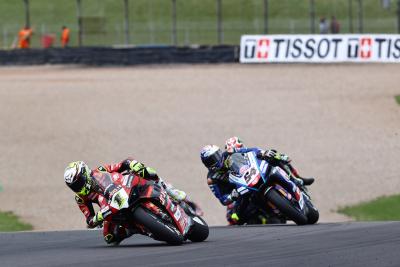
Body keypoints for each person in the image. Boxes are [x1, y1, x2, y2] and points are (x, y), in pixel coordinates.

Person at [64, 158, 186, 245]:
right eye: (74, 186)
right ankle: (133, 229)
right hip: (111, 207)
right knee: (109, 237)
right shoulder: (80, 198)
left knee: (147, 171)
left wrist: (134, 165)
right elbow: (89, 220)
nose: (78, 188)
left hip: (126, 187)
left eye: (79, 182)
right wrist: (98, 217)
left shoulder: (101, 171)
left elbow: (123, 164)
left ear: (85, 173)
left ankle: (170, 191)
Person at [201, 137, 314, 224]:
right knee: (237, 217)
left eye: (217, 155)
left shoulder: (229, 153)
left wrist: (263, 153)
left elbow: (250, 150)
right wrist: (231, 196)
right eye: (211, 160)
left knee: (275, 158)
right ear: (206, 164)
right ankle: (271, 215)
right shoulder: (212, 179)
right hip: (238, 191)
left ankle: (296, 180)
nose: (216, 159)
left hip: (250, 176)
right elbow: (222, 199)